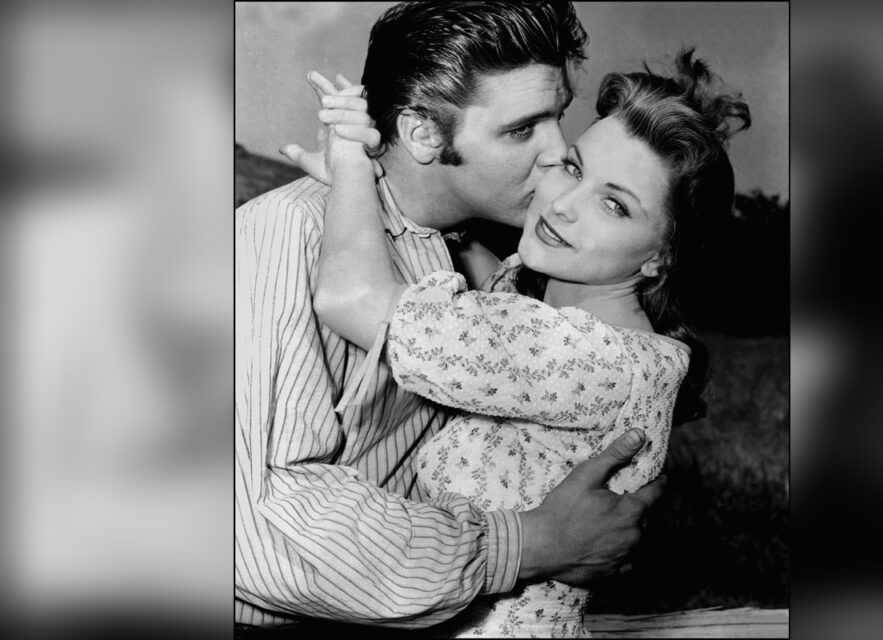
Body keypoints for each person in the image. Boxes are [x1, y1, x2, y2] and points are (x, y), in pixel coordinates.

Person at [235, 1, 665, 631]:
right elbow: (249, 521)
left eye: (558, 119)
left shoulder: (471, 255)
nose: (557, 152)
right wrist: (526, 542)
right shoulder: (287, 232)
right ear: (423, 134)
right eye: (522, 129)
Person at [309, 46, 750, 636]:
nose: (563, 206)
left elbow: (349, 299)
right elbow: (484, 272)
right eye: (573, 168)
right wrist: (376, 193)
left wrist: (349, 164)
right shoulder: (550, 303)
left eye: (614, 204)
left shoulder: (590, 357)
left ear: (660, 257)